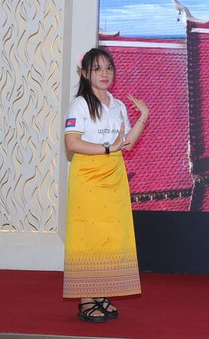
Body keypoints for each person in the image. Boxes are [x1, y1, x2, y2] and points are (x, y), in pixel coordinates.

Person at [63, 47, 149, 323]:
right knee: (88, 236)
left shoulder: (118, 105)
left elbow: (126, 143)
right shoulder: (79, 104)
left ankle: (101, 291)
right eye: (97, 69)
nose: (104, 74)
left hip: (114, 174)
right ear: (86, 73)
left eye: (108, 68)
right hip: (88, 175)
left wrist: (144, 116)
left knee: (110, 234)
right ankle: (86, 298)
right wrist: (106, 149)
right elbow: (72, 143)